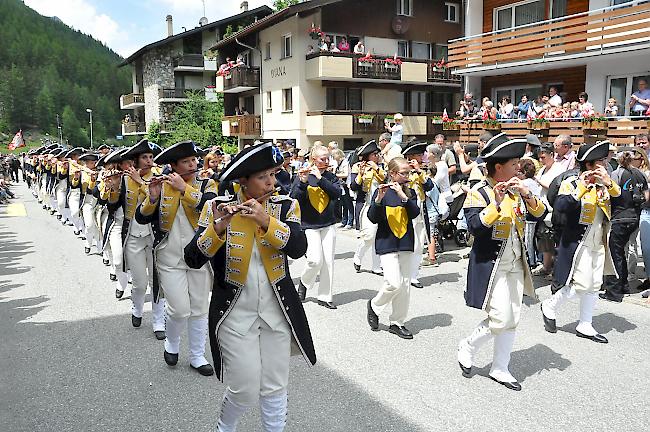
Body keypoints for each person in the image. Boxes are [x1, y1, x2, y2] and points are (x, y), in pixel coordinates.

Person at [184, 142, 316, 432]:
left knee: (275, 385)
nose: (272, 182)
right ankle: (224, 427)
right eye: (263, 176)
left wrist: (265, 220)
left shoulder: (285, 206)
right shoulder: (215, 207)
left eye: (274, 174)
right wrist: (218, 227)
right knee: (244, 386)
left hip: (276, 312)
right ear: (243, 180)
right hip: (234, 313)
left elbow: (297, 248)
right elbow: (193, 258)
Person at [458, 133, 546, 391]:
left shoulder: (518, 190)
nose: (519, 168)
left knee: (512, 318)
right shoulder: (479, 192)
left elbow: (540, 213)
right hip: (491, 264)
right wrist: (496, 203)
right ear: (499, 167)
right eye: (514, 164)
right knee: (499, 318)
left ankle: (500, 367)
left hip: (515, 264)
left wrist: (528, 195)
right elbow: (474, 227)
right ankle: (469, 345)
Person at [136, 140, 218, 375]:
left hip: (199, 255)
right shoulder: (162, 185)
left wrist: (185, 188)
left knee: (200, 307)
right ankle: (171, 343)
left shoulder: (206, 183)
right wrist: (152, 199)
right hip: (169, 257)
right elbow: (142, 219)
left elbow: (209, 206)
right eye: (186, 161)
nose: (193, 164)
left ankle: (197, 355)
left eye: (194, 159)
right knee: (180, 309)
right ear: (173, 165)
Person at [541, 141, 620, 345]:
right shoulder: (572, 182)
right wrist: (582, 188)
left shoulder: (606, 183)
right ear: (588, 164)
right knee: (581, 283)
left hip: (598, 237)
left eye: (603, 160)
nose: (603, 164)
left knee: (594, 284)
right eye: (599, 161)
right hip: (578, 239)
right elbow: (560, 205)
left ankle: (585, 323)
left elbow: (623, 201)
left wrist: (608, 182)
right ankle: (550, 305)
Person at [117, 140, 167, 337]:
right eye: (144, 157)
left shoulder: (159, 178)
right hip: (133, 236)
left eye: (151, 157)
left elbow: (159, 203)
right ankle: (136, 308)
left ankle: (158, 322)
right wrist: (111, 188)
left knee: (157, 281)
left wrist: (141, 182)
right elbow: (114, 206)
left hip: (154, 236)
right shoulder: (125, 179)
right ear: (135, 161)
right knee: (139, 282)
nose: (149, 161)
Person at [366, 157, 420, 339]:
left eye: (408, 172)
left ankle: (397, 322)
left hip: (405, 242)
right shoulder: (381, 191)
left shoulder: (410, 192)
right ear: (392, 174)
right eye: (403, 173)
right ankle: (374, 305)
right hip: (386, 243)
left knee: (404, 286)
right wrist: (379, 200)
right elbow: (373, 217)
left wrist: (404, 197)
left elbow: (414, 213)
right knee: (393, 282)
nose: (407, 176)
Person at [291, 145, 342, 309]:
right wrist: (302, 183)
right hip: (309, 225)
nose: (326, 161)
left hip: (328, 223)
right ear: (313, 160)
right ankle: (304, 283)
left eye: (328, 158)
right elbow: (293, 199)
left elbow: (337, 193)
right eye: (322, 159)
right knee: (314, 260)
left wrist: (321, 179)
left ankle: (325, 296)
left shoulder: (330, 176)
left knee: (328, 261)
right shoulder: (302, 176)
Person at [601, 149, 648, 302]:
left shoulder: (617, 174)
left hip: (619, 217)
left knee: (615, 254)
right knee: (622, 252)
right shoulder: (640, 174)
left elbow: (611, 195)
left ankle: (614, 290)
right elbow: (646, 195)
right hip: (635, 217)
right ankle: (624, 285)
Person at [352, 140, 385, 274]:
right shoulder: (358, 167)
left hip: (379, 204)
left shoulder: (380, 167)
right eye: (374, 154)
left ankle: (376, 266)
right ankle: (358, 256)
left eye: (377, 154)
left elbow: (385, 179)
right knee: (369, 235)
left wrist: (376, 168)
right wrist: (360, 174)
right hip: (366, 205)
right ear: (368, 155)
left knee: (379, 236)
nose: (377, 156)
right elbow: (354, 187)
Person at [403, 142, 433, 289]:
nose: (422, 157)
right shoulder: (403, 171)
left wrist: (418, 170)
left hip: (421, 211)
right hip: (407, 211)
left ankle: (414, 275)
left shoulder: (421, 171)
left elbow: (429, 186)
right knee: (408, 243)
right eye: (419, 155)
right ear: (411, 156)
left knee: (419, 244)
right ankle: (404, 272)